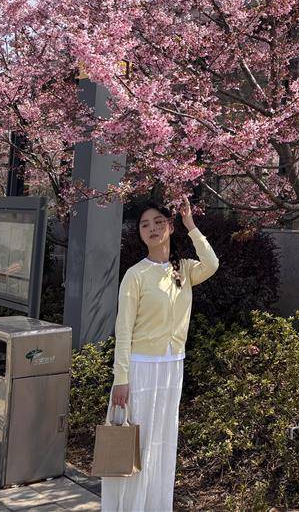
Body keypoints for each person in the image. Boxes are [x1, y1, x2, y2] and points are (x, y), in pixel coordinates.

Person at [106, 201, 219, 512]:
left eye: (158, 222)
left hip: (172, 367)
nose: (152, 228)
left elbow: (212, 263)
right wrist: (121, 378)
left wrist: (190, 224)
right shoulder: (135, 275)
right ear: (140, 234)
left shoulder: (184, 269)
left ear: (170, 226)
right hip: (140, 369)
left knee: (163, 442)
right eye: (145, 225)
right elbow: (123, 330)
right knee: (137, 443)